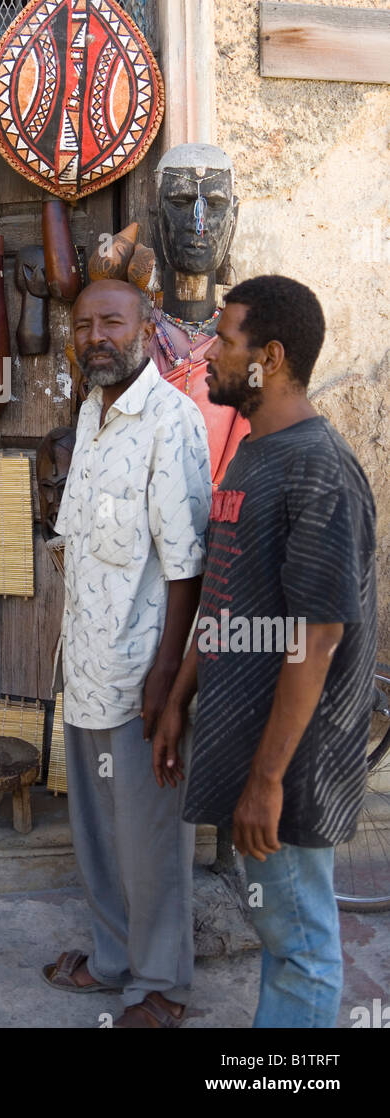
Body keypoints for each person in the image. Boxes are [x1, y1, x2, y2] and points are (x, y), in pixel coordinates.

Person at [153, 275, 377, 1028]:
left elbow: (316, 637)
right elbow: (223, 597)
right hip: (249, 751)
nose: (208, 351)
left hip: (292, 767)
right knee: (283, 936)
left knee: (303, 949)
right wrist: (180, 699)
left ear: (271, 357)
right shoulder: (255, 454)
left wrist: (268, 780)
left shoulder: (317, 468)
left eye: (225, 337)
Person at [42, 278, 212, 1028]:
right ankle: (115, 960)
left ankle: (162, 984)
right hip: (85, 665)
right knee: (101, 832)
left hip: (143, 669)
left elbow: (188, 565)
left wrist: (167, 679)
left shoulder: (169, 421)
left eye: (111, 321)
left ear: (146, 328)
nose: (94, 336)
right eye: (83, 325)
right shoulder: (91, 413)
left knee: (149, 837)